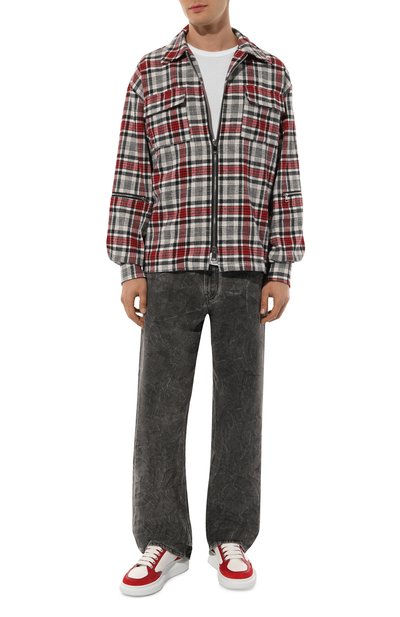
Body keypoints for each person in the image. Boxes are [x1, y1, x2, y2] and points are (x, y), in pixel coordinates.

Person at [106, 0, 305, 596]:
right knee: (159, 411)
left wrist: (280, 266)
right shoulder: (151, 71)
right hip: (169, 265)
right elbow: (133, 170)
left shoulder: (270, 72)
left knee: (240, 408)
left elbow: (284, 174)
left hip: (246, 269)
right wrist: (129, 265)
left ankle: (231, 537)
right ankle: (163, 541)